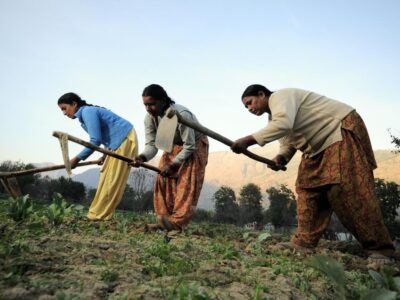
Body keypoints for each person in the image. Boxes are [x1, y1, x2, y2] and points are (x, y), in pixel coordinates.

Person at [231, 84, 395, 262]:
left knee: (348, 191)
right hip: (316, 148)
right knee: (307, 189)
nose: (249, 109)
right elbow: (288, 142)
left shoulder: (281, 97)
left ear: (262, 94)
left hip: (337, 130)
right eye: (246, 107)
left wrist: (247, 141)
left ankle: (380, 248)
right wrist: (281, 158)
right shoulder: (274, 118)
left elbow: (283, 124)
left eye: (250, 102)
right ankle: (304, 242)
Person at [135, 84, 209, 231]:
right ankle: (165, 220)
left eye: (152, 104)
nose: (148, 108)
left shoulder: (182, 114)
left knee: (186, 184)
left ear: (162, 101)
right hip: (172, 145)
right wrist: (142, 157)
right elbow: (151, 145)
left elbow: (189, 146)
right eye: (145, 105)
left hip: (194, 145)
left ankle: (176, 223)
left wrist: (174, 163)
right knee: (163, 178)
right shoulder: (150, 118)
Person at [58, 92, 138, 220]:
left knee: (112, 179)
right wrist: (105, 155)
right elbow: (106, 137)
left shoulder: (87, 112)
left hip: (124, 138)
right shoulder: (85, 115)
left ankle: (99, 215)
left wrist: (77, 159)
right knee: (106, 175)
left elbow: (95, 140)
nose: (64, 113)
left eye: (64, 108)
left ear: (74, 104)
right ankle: (95, 213)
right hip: (116, 143)